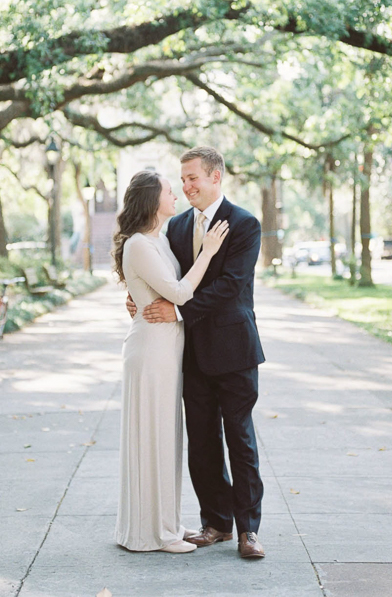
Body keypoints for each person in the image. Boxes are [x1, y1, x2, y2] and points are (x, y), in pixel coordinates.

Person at [130, 146, 268, 559]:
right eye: (183, 179)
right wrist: (140, 299)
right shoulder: (175, 228)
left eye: (193, 178)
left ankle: (249, 531)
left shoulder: (245, 224)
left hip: (235, 350)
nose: (186, 186)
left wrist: (177, 308)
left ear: (215, 178)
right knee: (203, 443)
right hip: (189, 355)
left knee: (240, 439)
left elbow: (231, 285)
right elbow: (168, 277)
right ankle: (216, 523)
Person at [112, 170, 229, 553]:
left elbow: (154, 289)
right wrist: (208, 252)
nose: (176, 193)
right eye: (168, 189)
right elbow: (178, 291)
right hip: (151, 353)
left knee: (164, 439)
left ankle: (163, 525)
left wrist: (138, 297)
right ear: (151, 200)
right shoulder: (140, 245)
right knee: (154, 439)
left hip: (167, 350)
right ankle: (155, 534)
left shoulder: (157, 240)